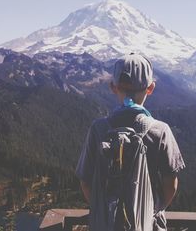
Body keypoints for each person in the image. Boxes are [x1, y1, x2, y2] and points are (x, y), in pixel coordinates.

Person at [75, 53, 185, 231]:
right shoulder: (161, 130)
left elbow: (85, 181)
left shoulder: (98, 129)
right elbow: (170, 183)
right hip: (148, 224)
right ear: (150, 88)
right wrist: (153, 211)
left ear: (113, 87)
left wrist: (105, 213)